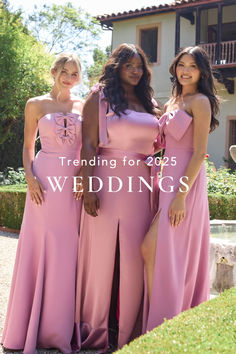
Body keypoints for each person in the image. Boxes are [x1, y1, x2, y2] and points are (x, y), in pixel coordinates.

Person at [73, 43, 161, 352]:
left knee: (135, 256)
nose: (136, 71)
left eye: (140, 66)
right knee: (103, 256)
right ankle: (99, 329)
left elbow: (159, 143)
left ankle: (129, 329)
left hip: (142, 186)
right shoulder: (100, 98)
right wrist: (88, 186)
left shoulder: (150, 102)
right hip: (106, 182)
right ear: (117, 68)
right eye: (129, 66)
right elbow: (87, 145)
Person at [2, 52, 83, 354]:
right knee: (39, 246)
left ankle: (57, 330)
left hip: (72, 186)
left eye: (74, 73)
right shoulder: (35, 104)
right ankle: (27, 327)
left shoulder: (84, 105)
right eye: (64, 71)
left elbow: (90, 147)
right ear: (53, 71)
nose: (69, 78)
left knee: (67, 251)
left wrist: (83, 175)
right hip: (44, 182)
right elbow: (26, 146)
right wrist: (30, 178)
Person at [141, 46, 219, 332]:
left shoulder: (200, 101)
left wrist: (181, 196)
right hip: (167, 179)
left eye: (193, 67)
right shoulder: (172, 101)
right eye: (182, 65)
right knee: (153, 251)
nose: (185, 71)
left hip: (186, 184)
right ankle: (161, 322)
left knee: (161, 251)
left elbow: (199, 153)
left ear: (201, 72)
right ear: (175, 68)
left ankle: (166, 325)